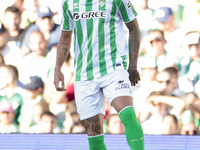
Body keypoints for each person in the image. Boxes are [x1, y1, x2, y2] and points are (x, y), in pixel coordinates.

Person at [54, 1, 144, 150]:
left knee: (127, 114)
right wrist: (58, 68)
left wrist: (133, 65)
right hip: (84, 74)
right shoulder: (69, 3)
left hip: (113, 68)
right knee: (94, 135)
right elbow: (65, 37)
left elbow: (134, 28)